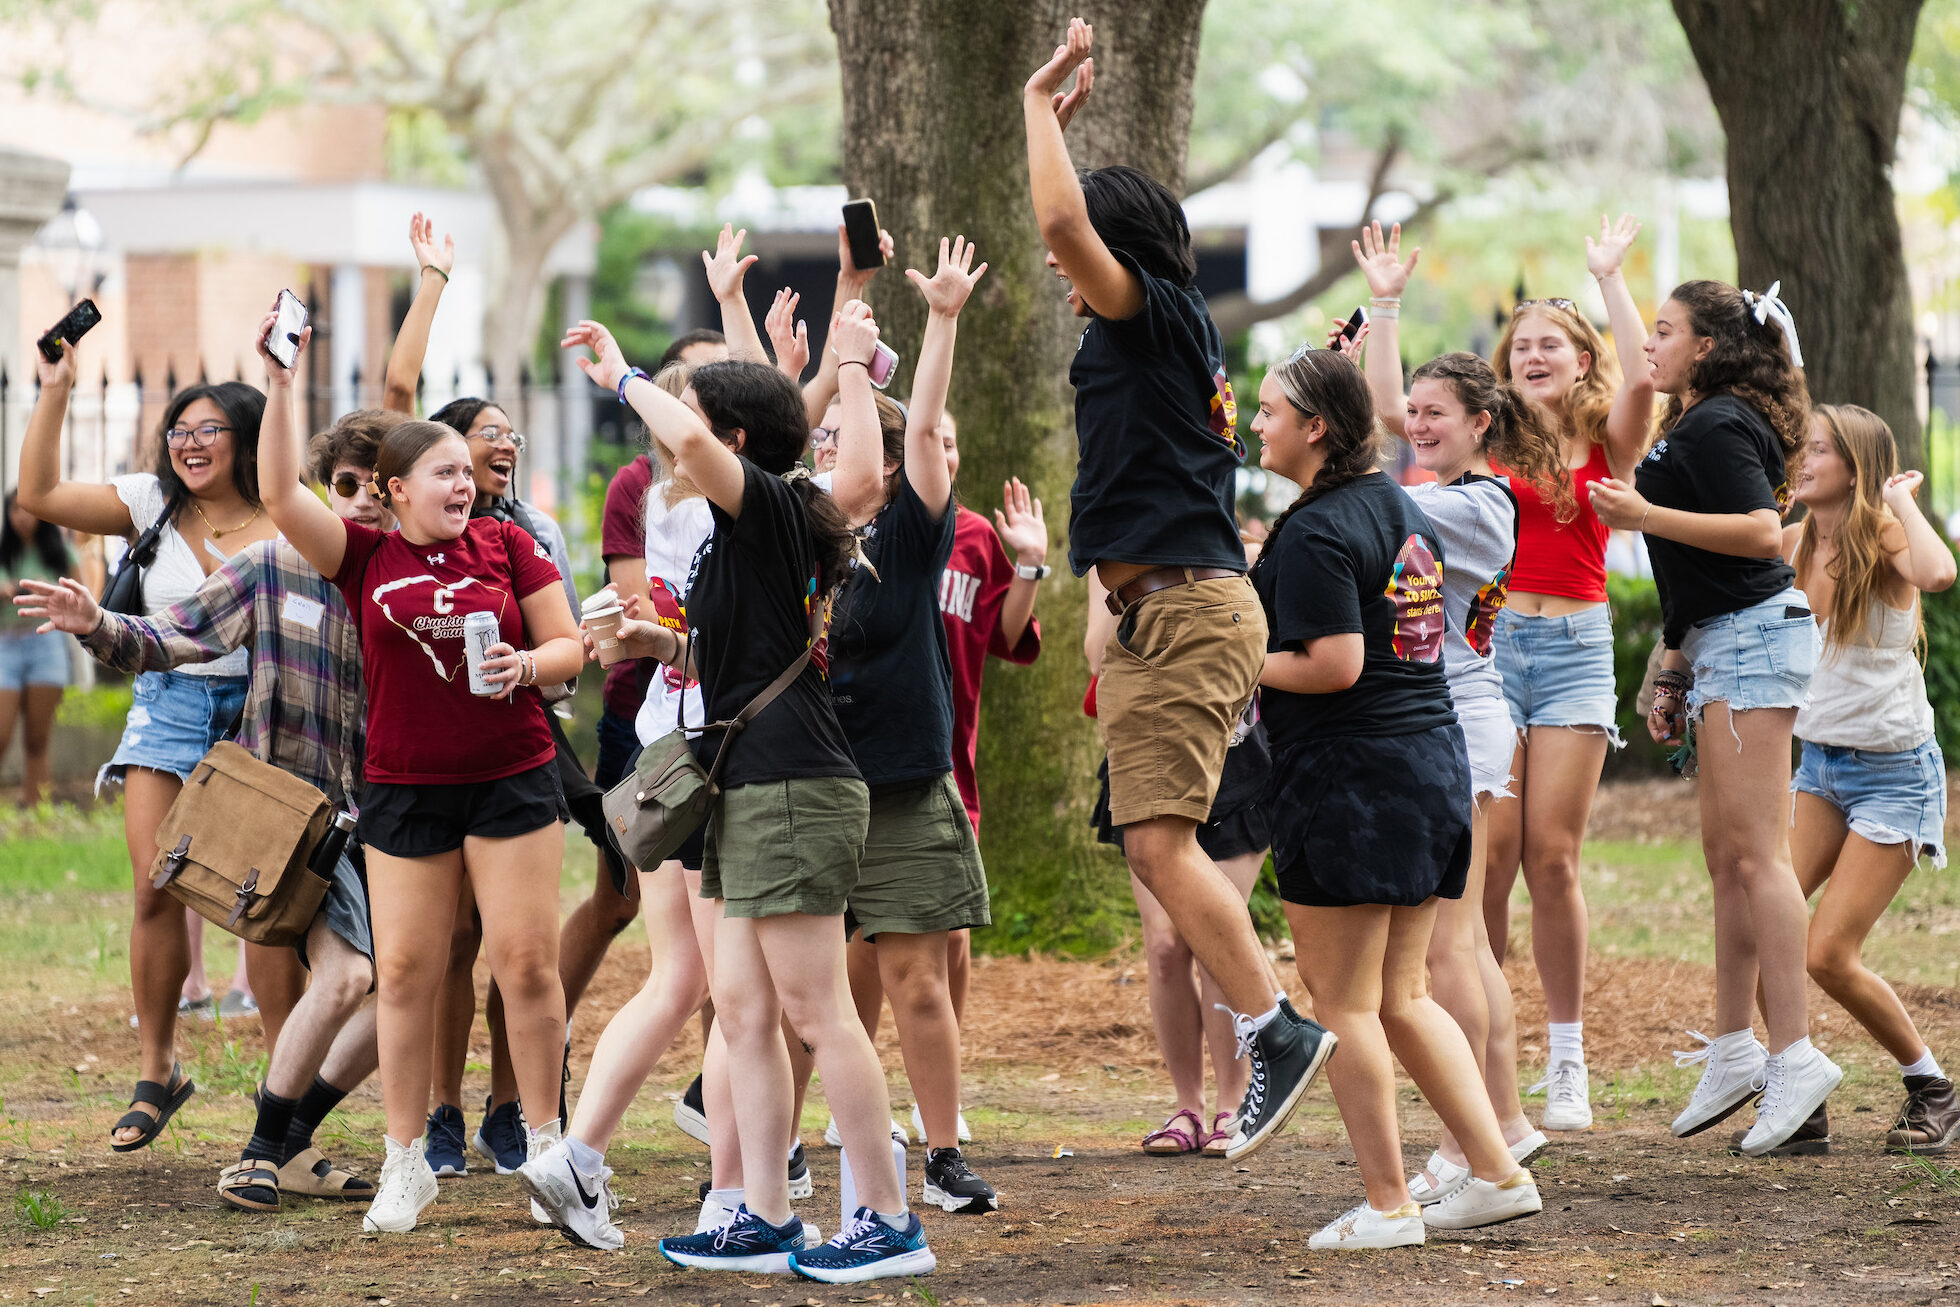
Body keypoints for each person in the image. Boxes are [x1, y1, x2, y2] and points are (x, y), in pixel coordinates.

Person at [552, 322, 935, 1281]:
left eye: (699, 424)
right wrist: (661, 650)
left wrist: (624, 377)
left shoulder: (766, 507)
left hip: (795, 785)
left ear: (737, 444)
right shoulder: (736, 540)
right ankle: (762, 1213)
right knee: (744, 1010)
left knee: (818, 1009)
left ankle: (888, 1219)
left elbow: (692, 444)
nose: (672, 444)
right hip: (748, 785)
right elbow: (748, 657)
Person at [1023, 17, 1330, 1159]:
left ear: (1119, 250)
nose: (1062, 264)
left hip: (1189, 609)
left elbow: (1061, 216)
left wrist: (1034, 106)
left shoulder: (1150, 315)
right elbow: (1069, 222)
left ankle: (1275, 1027)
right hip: (1176, 608)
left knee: (1158, 846)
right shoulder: (1163, 326)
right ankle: (1271, 1022)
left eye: (1079, 256)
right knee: (1161, 842)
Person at [16, 408, 399, 1213]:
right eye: (346, 486)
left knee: (407, 985)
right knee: (349, 975)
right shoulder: (274, 566)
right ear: (319, 491)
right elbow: (175, 636)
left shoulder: (418, 581)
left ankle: (290, 1141)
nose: (363, 502)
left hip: (399, 816)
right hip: (303, 817)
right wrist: (98, 625)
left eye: (378, 487)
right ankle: (264, 1144)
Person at [255, 307, 582, 1233]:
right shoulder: (365, 557)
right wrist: (282, 382)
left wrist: (526, 665)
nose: (462, 484)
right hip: (404, 785)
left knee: (524, 960)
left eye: (464, 472)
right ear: (395, 490)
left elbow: (568, 648)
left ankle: (550, 1148)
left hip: (513, 773)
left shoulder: (507, 545)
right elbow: (281, 492)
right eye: (442, 472)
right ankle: (407, 1158)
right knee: (404, 968)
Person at [1356, 217, 1653, 1133]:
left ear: (1580, 358)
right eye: (1519, 344)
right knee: (1485, 874)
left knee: (1552, 859)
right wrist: (1387, 303)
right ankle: (1488, 1063)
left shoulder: (1611, 436)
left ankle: (1566, 1058)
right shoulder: (1494, 446)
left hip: (1573, 650)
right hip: (1488, 658)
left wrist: (1606, 277)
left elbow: (1643, 375)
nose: (1530, 354)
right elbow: (1390, 417)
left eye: (1548, 344)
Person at [1248, 343, 1542, 1249]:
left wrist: (1229, 662)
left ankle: (1388, 1204)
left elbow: (1333, 663)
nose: (1255, 424)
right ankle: (1495, 1171)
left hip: (1350, 783)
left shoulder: (1316, 528)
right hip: (1429, 765)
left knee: (1342, 1003)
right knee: (1405, 993)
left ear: (1315, 428)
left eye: (1268, 411)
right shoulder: (1396, 505)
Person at [16, 336, 296, 1152]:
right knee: (154, 888)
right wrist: (57, 388)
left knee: (260, 902)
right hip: (169, 704)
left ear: (246, 436)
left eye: (209, 429)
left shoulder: (284, 503)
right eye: (180, 428)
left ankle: (284, 1090)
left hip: (260, 711)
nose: (190, 441)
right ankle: (158, 1069)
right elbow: (37, 491)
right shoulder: (150, 502)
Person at [1589, 278, 1840, 1156]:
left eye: (1663, 332)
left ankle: (1796, 1054)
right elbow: (1695, 574)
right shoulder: (1697, 417)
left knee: (1760, 857)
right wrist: (1672, 660)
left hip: (1757, 643)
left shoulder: (1722, 419)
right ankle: (1737, 1047)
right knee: (1727, 859)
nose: (1647, 346)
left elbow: (1763, 535)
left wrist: (1642, 511)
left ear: (1705, 347)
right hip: (1720, 646)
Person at [1355, 323, 1567, 1200]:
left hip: (1461, 720)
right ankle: (1507, 1119)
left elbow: (1369, 495)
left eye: (1437, 411)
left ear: (1485, 422)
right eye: (1415, 411)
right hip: (1459, 721)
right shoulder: (1443, 490)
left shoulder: (1475, 505)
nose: (1419, 423)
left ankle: (1460, 1142)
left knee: (1448, 946)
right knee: (1469, 940)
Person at [823, 242, 997, 1214]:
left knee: (918, 982)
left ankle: (941, 1149)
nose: (829, 459)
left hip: (903, 782)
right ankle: (830, 1146)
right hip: (805, 788)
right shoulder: (790, 540)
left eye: (848, 446)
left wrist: (941, 317)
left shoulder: (910, 532)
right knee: (824, 996)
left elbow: (925, 422)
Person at [1782, 404, 1956, 1154]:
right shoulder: (1791, 541)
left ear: (1853, 466)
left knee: (1825, 953)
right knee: (1768, 925)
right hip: (1819, 764)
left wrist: (1900, 498)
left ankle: (1933, 1087)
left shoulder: (1883, 537)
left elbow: (1940, 572)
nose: (1803, 456)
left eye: (1819, 448)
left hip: (1894, 773)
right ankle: (1800, 1090)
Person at [1086, 567, 1266, 1158]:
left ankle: (1231, 1106)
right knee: (1165, 947)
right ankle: (1186, 1104)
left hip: (1235, 758)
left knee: (1219, 942)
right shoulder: (1111, 561)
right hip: (1150, 753)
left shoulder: (1234, 554)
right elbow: (1096, 653)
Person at [0, 492, 74, 806]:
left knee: (37, 738)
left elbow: (87, 597)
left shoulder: (60, 552)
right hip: (6, 644)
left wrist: (54, 591)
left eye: (28, 509)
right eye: (15, 510)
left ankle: (34, 807)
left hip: (48, 644)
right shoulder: (4, 553)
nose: (22, 517)